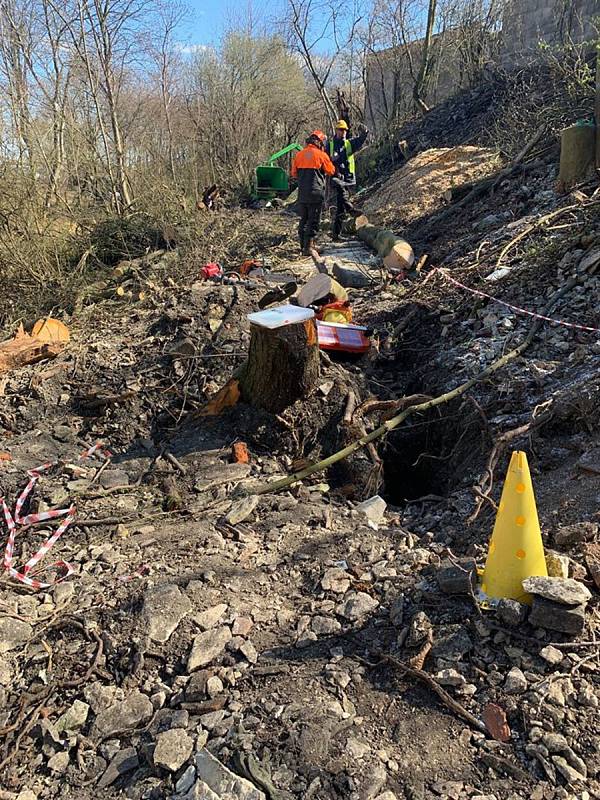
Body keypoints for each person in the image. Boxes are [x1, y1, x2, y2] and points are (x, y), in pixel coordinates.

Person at [291, 130, 335, 256]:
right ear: (320, 142)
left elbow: (293, 173)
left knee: (304, 219)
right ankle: (309, 247)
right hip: (316, 193)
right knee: (313, 220)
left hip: (302, 194)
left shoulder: (299, 155)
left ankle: (303, 246)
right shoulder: (321, 155)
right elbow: (331, 171)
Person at [328, 119, 368, 241]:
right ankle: (351, 210)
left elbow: (360, 140)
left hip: (347, 177)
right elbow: (324, 160)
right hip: (335, 176)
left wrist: (365, 132)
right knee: (342, 194)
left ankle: (336, 234)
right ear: (336, 130)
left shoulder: (349, 144)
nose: (343, 132)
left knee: (340, 207)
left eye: (345, 130)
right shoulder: (330, 145)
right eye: (341, 130)